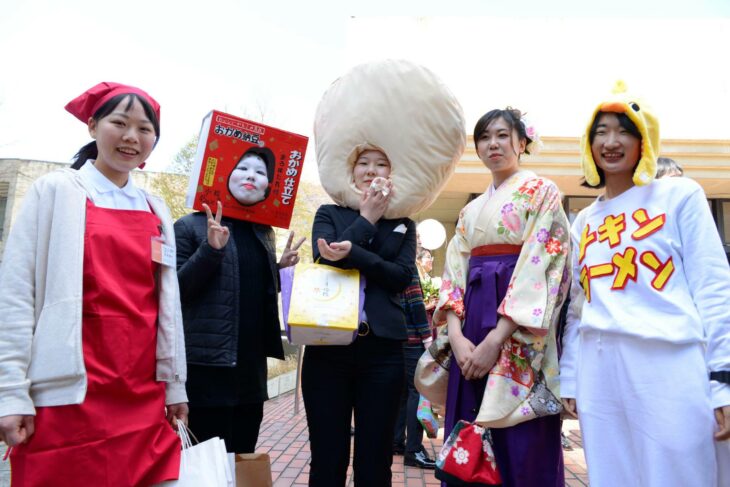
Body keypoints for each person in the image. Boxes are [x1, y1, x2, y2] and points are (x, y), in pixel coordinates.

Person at [0, 82, 188, 486]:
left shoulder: (156, 208)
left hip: (141, 391)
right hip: (68, 391)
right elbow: (16, 296)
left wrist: (175, 386)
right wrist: (10, 392)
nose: (131, 137)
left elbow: (167, 308)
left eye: (144, 128)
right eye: (119, 123)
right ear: (92, 126)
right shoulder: (55, 192)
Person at [560, 84, 730, 487]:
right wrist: (570, 375)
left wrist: (722, 378)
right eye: (600, 131)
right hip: (600, 370)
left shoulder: (679, 196)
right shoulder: (585, 221)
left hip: (669, 362)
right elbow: (579, 305)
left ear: (644, 140)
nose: (612, 142)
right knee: (613, 476)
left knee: (679, 474)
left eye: (625, 131)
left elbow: (713, 288)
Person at [437, 107, 570, 486]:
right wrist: (457, 337)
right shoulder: (470, 210)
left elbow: (542, 264)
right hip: (471, 322)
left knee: (520, 435)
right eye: (484, 137)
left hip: (516, 330)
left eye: (501, 135)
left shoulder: (542, 192)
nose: (492, 144)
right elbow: (454, 274)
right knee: (469, 420)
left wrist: (497, 338)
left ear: (522, 142)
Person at [303, 146, 417, 486]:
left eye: (381, 163)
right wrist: (366, 220)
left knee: (376, 458)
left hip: (383, 352)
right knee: (327, 455)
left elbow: (400, 277)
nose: (371, 170)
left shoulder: (404, 223)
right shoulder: (328, 213)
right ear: (351, 172)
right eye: (363, 164)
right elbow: (325, 261)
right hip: (327, 349)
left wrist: (355, 253)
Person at [175, 152, 303, 453]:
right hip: (207, 370)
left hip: (250, 371)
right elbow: (176, 291)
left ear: (268, 186)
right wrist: (210, 249)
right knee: (206, 465)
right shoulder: (189, 226)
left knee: (242, 458)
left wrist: (278, 268)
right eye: (242, 167)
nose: (250, 175)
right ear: (224, 175)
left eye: (259, 172)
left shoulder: (263, 232)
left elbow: (242, 286)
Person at [392, 265, 436, 469]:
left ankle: (396, 441)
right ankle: (414, 449)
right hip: (412, 339)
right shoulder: (407, 265)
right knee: (417, 391)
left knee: (402, 392)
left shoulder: (389, 261)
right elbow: (415, 302)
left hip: (395, 337)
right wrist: (427, 337)